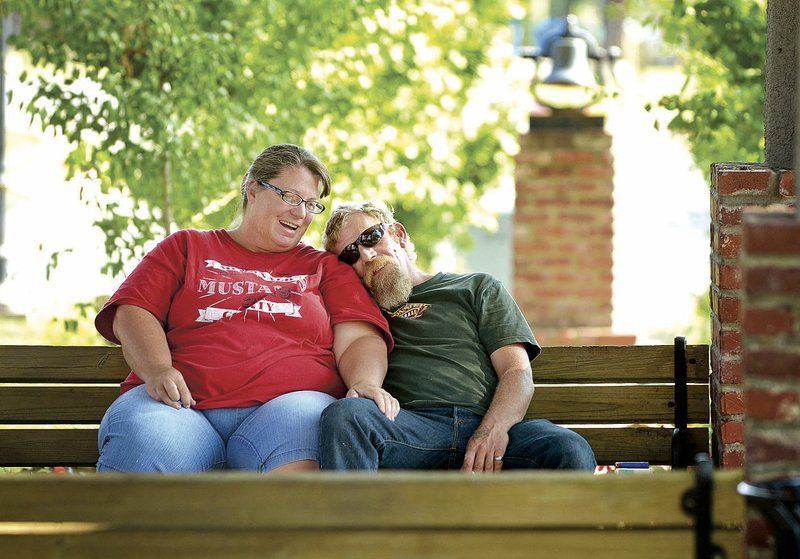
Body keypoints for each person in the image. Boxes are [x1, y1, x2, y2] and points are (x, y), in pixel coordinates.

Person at [94, 144, 398, 473]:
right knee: (144, 445)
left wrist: (365, 381)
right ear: (253, 189)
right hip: (176, 406)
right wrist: (156, 369)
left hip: (289, 409)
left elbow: (358, 338)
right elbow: (134, 311)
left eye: (311, 204)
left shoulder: (325, 268)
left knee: (307, 439)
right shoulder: (187, 247)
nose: (301, 213)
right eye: (290, 197)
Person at [319, 201, 596, 472]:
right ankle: (355, 520)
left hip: (485, 422)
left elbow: (516, 372)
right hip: (409, 430)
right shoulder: (359, 317)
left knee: (568, 448)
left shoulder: (476, 287)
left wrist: (491, 431)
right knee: (346, 415)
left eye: (371, 237)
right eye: (350, 254)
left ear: (399, 235)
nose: (366, 255)